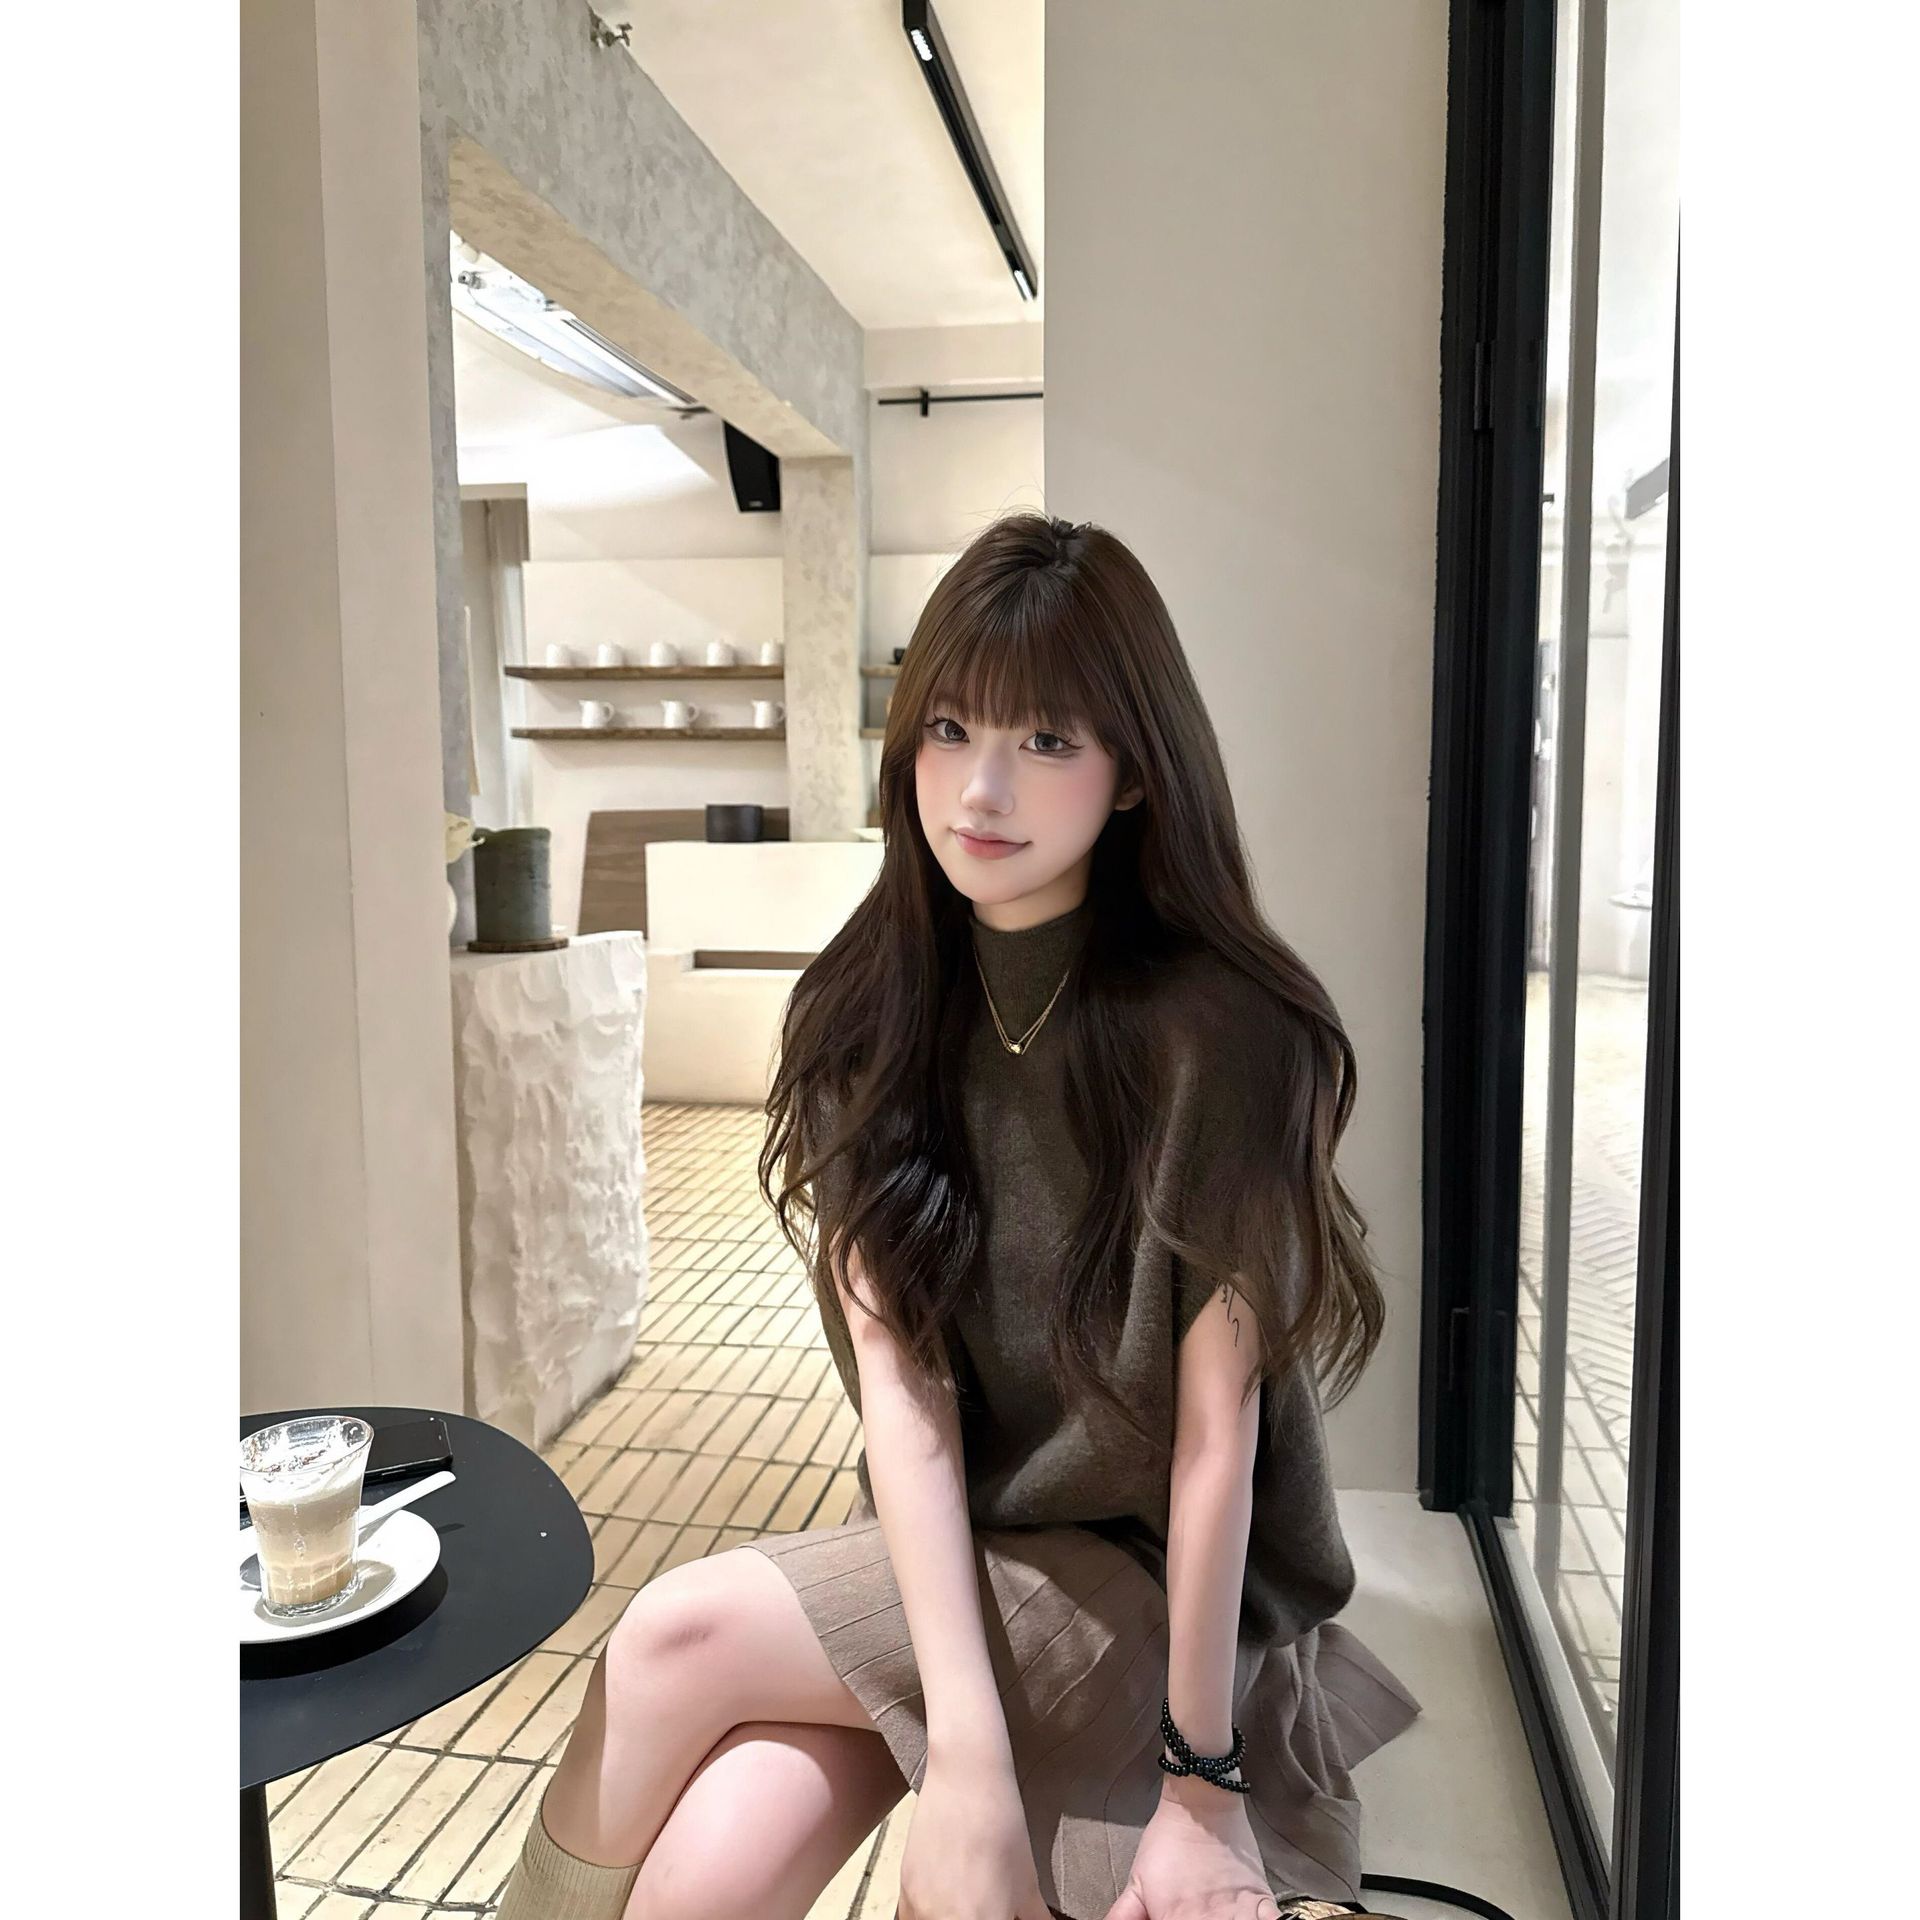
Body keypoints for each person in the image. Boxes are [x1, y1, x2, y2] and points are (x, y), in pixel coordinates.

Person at [499, 512, 1422, 1920]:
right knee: (705, 1871)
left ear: (1133, 773)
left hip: (1159, 1587)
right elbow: (905, 1403)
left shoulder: (1223, 1034)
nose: (981, 789)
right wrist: (970, 1764)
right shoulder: (861, 1015)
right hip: (964, 1556)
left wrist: (1199, 1785)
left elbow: (1217, 1447)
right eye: (948, 729)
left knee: (669, 1641)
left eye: (1046, 740)